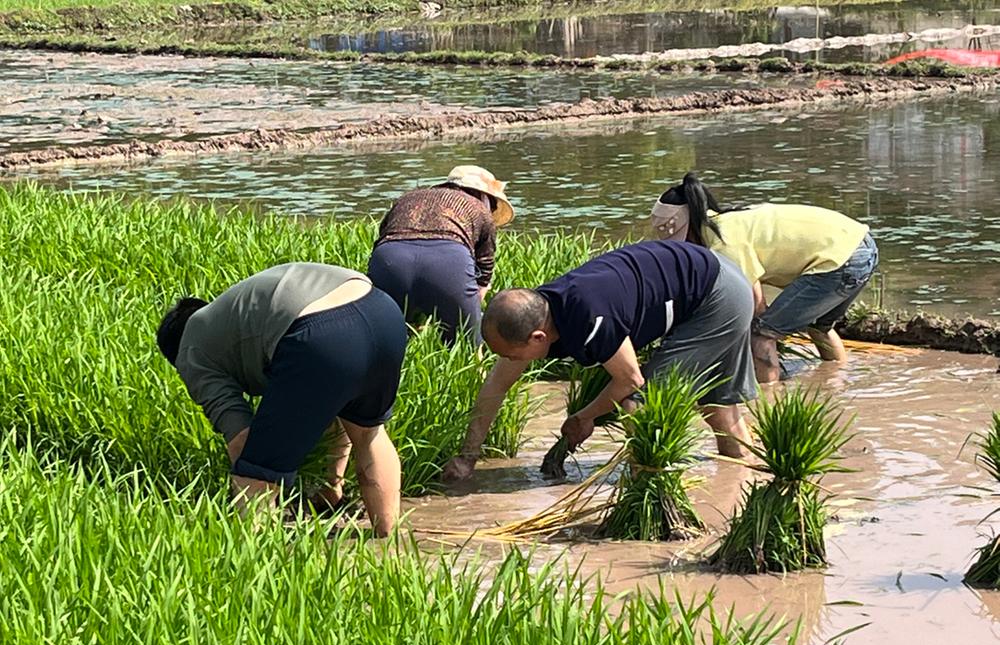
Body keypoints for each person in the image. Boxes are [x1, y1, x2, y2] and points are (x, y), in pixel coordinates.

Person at [442, 240, 757, 482]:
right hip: (718, 276)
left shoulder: (589, 318)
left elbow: (631, 380)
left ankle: (647, 487)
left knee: (640, 404)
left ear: (537, 338)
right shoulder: (537, 312)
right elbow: (496, 386)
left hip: (716, 297)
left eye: (511, 355)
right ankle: (740, 482)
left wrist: (585, 416)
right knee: (717, 405)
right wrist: (468, 457)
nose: (508, 361)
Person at [156, 262, 407, 536]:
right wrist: (330, 486)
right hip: (383, 314)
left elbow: (242, 439)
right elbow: (335, 405)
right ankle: (388, 540)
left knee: (255, 469)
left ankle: (254, 550)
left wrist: (264, 478)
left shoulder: (190, 349)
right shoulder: (236, 315)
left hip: (320, 332)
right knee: (368, 433)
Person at [652, 172, 879, 384]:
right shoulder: (728, 220)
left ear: (689, 228)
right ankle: (837, 383)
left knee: (761, 333)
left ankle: (768, 397)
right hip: (859, 244)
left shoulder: (723, 242)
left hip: (839, 260)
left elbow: (756, 305)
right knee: (819, 326)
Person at [368, 165, 514, 346]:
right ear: (485, 197)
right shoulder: (480, 209)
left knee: (383, 339)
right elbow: (483, 273)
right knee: (465, 344)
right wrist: (468, 312)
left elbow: (383, 237)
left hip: (389, 258)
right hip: (448, 260)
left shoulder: (407, 198)